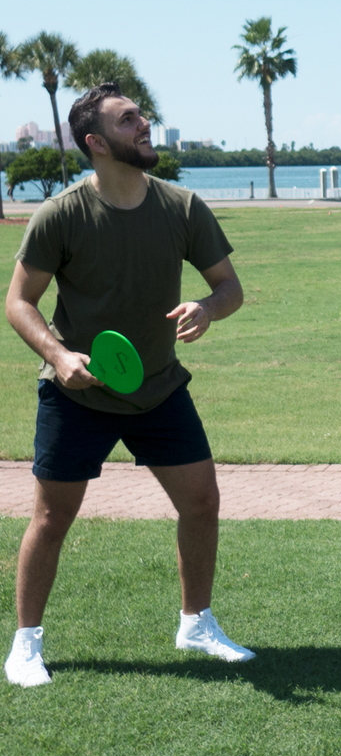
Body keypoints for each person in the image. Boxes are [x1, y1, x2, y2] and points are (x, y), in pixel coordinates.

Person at [4, 84, 253, 688]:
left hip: (159, 389)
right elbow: (18, 302)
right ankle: (25, 645)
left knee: (202, 501)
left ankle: (196, 623)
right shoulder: (61, 214)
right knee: (51, 516)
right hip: (76, 393)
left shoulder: (183, 207)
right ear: (96, 142)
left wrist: (207, 308)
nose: (145, 125)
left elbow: (230, 287)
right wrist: (59, 356)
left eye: (142, 115)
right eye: (129, 120)